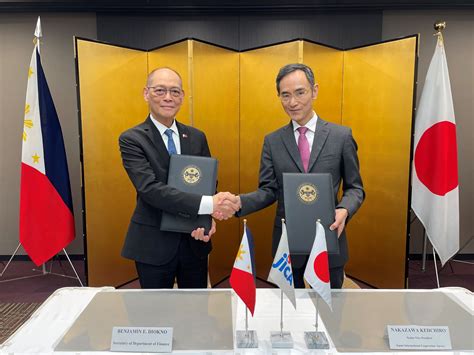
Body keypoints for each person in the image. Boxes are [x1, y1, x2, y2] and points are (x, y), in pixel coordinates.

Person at [236, 63, 365, 289]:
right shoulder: (273, 141)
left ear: (314, 91)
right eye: (285, 95)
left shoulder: (341, 136)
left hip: (328, 238)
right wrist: (239, 203)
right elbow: (268, 190)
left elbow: (355, 188)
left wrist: (345, 209)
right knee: (288, 314)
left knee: (329, 315)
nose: (292, 102)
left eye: (300, 92)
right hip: (287, 245)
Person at [119, 67, 239, 289]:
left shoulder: (196, 136)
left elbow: (208, 182)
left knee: (195, 311)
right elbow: (150, 189)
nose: (168, 97)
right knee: (156, 316)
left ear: (182, 96)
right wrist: (208, 205)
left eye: (175, 91)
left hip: (194, 239)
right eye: (160, 90)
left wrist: (209, 218)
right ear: (146, 93)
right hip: (153, 243)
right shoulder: (132, 139)